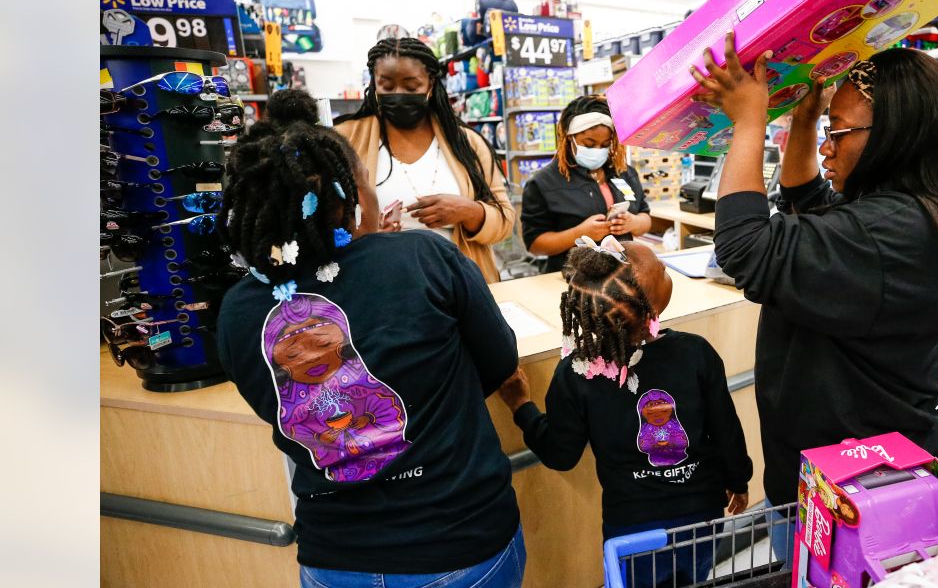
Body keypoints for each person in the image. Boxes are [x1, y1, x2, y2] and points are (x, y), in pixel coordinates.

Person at [688, 33, 938, 563]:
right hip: (861, 454)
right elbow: (810, 203)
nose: (828, 148)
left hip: (848, 484)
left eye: (839, 133)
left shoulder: (893, 232)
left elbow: (744, 247)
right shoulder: (925, 209)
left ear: (897, 135)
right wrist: (805, 125)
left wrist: (749, 121)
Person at [214, 120, 524, 587]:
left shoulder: (237, 309)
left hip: (333, 559)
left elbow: (273, 408)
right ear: (351, 195)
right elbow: (498, 363)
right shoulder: (422, 257)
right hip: (459, 542)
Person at [497, 237, 752, 586]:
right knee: (693, 578)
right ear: (649, 306)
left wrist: (522, 406)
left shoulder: (574, 374)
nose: (665, 269)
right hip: (702, 515)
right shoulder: (696, 353)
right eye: (661, 268)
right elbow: (726, 430)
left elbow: (561, 453)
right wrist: (738, 480)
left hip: (631, 527)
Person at [335, 37, 514, 283]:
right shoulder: (346, 139)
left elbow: (504, 220)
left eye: (411, 87)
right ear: (374, 84)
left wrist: (469, 212)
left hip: (459, 289)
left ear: (430, 84)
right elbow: (318, 220)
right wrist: (364, 233)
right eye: (386, 85)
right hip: (378, 286)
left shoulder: (467, 144)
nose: (398, 95)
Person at [519, 95, 653, 274]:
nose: (597, 151)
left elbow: (646, 218)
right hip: (572, 278)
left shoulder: (624, 172)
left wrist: (633, 222)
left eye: (605, 145)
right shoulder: (543, 182)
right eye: (589, 144)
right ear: (568, 138)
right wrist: (579, 233)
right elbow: (535, 245)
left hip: (622, 275)